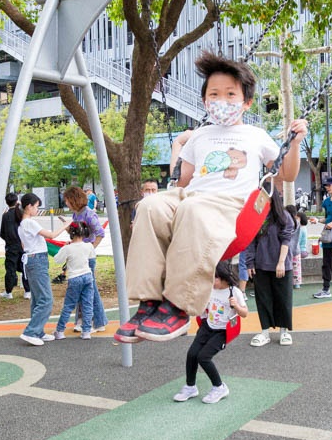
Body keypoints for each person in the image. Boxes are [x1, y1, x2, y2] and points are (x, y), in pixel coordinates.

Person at [115, 52, 307, 343]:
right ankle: (148, 302)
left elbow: (287, 175)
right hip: (192, 196)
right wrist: (178, 145)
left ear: (246, 102)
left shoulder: (254, 135)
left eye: (231, 94)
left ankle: (179, 306)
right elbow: (183, 180)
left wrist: (295, 144)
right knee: (150, 205)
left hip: (230, 206)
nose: (222, 101)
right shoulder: (200, 135)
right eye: (214, 94)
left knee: (193, 207)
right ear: (205, 101)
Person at [173, 260, 247, 404]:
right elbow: (203, 305)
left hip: (222, 332)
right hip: (207, 326)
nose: (212, 281)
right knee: (192, 354)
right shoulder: (211, 289)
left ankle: (219, 387)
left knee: (203, 357)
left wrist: (236, 306)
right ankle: (190, 387)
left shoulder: (234, 292)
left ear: (224, 278)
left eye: (215, 277)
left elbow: (244, 313)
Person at [17, 192, 70, 346]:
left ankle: (37, 331)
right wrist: (65, 225)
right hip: (37, 260)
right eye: (36, 206)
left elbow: (23, 245)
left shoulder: (22, 224)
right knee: (46, 299)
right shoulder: (30, 223)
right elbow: (51, 235)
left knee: (37, 298)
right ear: (29, 206)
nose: (37, 209)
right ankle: (31, 331)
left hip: (31, 260)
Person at [245, 190, 295, 347]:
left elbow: (286, 240)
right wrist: (250, 263)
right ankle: (265, 332)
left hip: (281, 265)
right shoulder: (257, 218)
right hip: (261, 264)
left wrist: (281, 262)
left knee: (283, 298)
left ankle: (284, 331)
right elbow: (251, 241)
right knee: (263, 299)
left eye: (265, 198)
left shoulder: (284, 217)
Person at [63, 186, 108, 334]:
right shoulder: (76, 214)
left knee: (90, 290)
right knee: (82, 290)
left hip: (86, 257)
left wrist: (90, 249)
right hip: (80, 256)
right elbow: (79, 234)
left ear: (73, 199)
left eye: (67, 200)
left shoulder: (88, 214)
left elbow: (100, 233)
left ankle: (97, 321)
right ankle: (82, 320)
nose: (66, 203)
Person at [50, 221, 97, 340]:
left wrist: (65, 246)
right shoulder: (89, 246)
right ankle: (86, 331)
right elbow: (92, 258)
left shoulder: (68, 248)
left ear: (71, 233)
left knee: (69, 305)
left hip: (74, 278)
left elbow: (57, 260)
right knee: (87, 304)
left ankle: (60, 331)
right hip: (87, 276)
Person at [0, 192, 29, 300]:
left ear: (7, 203)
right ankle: (27, 291)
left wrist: (8, 239)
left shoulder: (5, 216)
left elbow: (1, 232)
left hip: (11, 246)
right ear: (17, 201)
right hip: (23, 245)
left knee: (10, 269)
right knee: (24, 268)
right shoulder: (21, 214)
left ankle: (9, 291)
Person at [287, 205, 308, 289]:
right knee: (296, 267)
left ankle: (293, 283)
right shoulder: (303, 228)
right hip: (300, 250)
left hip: (294, 250)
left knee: (292, 267)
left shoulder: (294, 225)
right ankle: (297, 283)